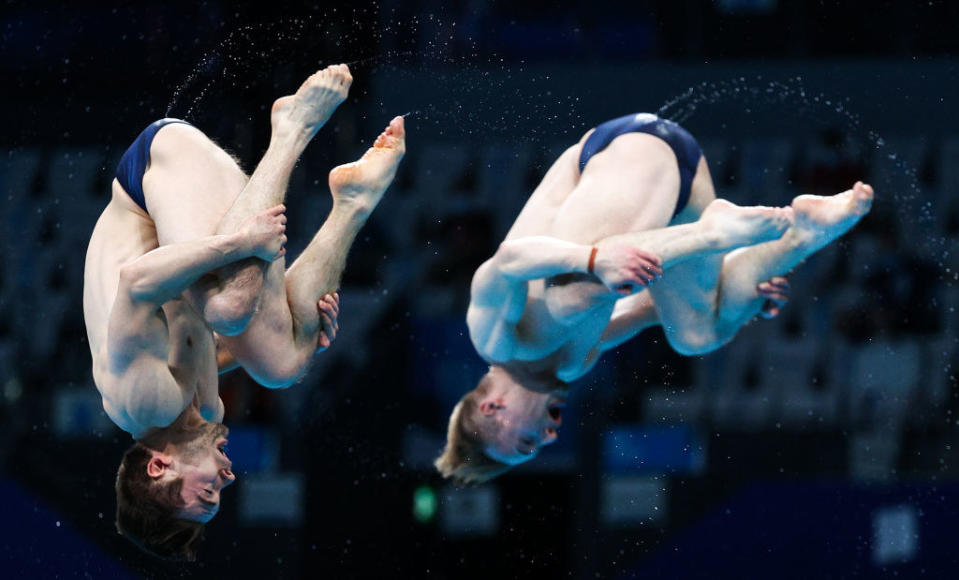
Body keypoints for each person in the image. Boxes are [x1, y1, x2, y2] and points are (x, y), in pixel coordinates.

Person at [435, 112, 873, 485]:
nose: (550, 436)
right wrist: (740, 301)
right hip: (683, 190)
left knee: (565, 304)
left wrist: (591, 259)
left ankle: (713, 235)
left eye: (528, 440)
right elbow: (649, 309)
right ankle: (801, 234)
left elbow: (506, 261)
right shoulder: (574, 364)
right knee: (695, 335)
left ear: (493, 408)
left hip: (626, 154)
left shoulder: (495, 341)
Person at [82, 64, 407, 558]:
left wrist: (238, 243)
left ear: (158, 467)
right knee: (283, 366)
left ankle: (291, 130)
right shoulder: (201, 409)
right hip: (194, 228)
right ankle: (352, 203)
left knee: (227, 306)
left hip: (152, 175)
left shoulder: (139, 404)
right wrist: (300, 330)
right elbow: (200, 344)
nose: (228, 477)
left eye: (208, 491)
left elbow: (135, 283)